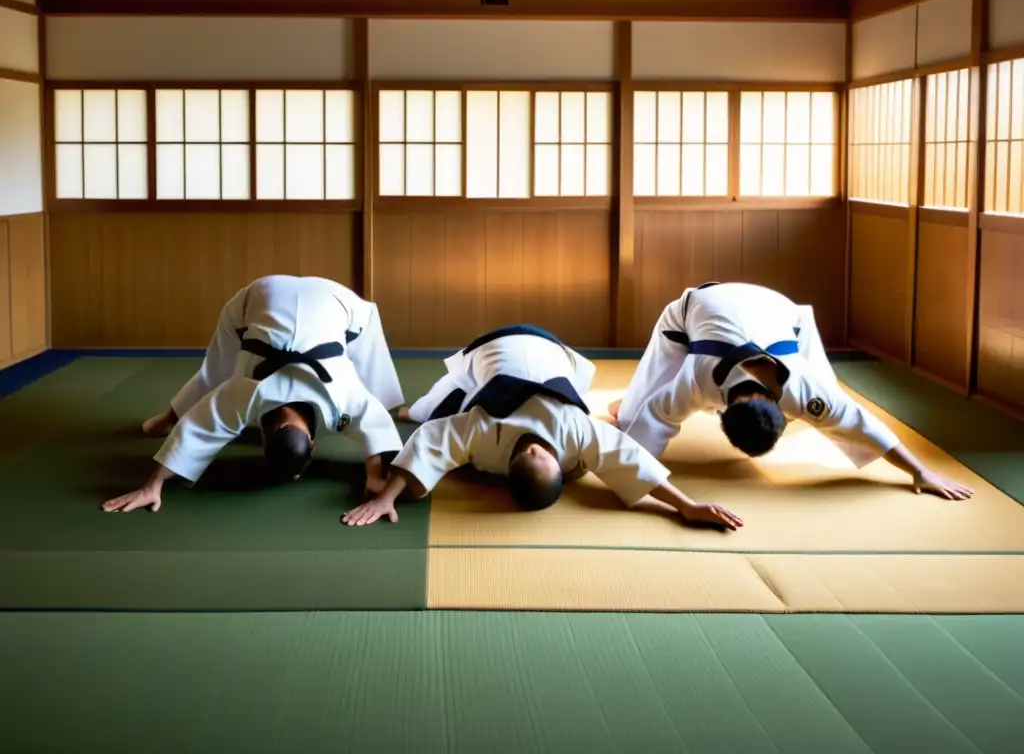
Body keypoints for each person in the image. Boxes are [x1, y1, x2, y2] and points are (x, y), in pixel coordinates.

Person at [341, 324, 743, 531]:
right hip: (545, 354)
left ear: (526, 456)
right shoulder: (573, 430)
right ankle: (417, 407)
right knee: (428, 412)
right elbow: (630, 460)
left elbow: (432, 439)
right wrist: (685, 505)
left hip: (508, 350)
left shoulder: (488, 429)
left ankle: (418, 407)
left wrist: (388, 496)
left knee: (429, 415)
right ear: (552, 459)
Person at [609, 282, 974, 501]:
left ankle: (628, 409)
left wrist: (921, 471)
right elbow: (656, 416)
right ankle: (623, 406)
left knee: (831, 401)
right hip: (693, 307)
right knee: (631, 418)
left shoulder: (802, 388)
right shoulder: (696, 380)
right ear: (720, 409)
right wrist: (630, 468)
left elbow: (859, 421)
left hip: (783, 311)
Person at [102, 275, 405, 514]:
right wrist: (377, 479)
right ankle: (168, 416)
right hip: (265, 300)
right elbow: (377, 431)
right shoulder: (339, 397)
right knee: (218, 373)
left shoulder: (249, 394)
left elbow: (195, 430)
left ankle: (168, 416)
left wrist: (153, 485)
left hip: (306, 299)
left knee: (218, 377)